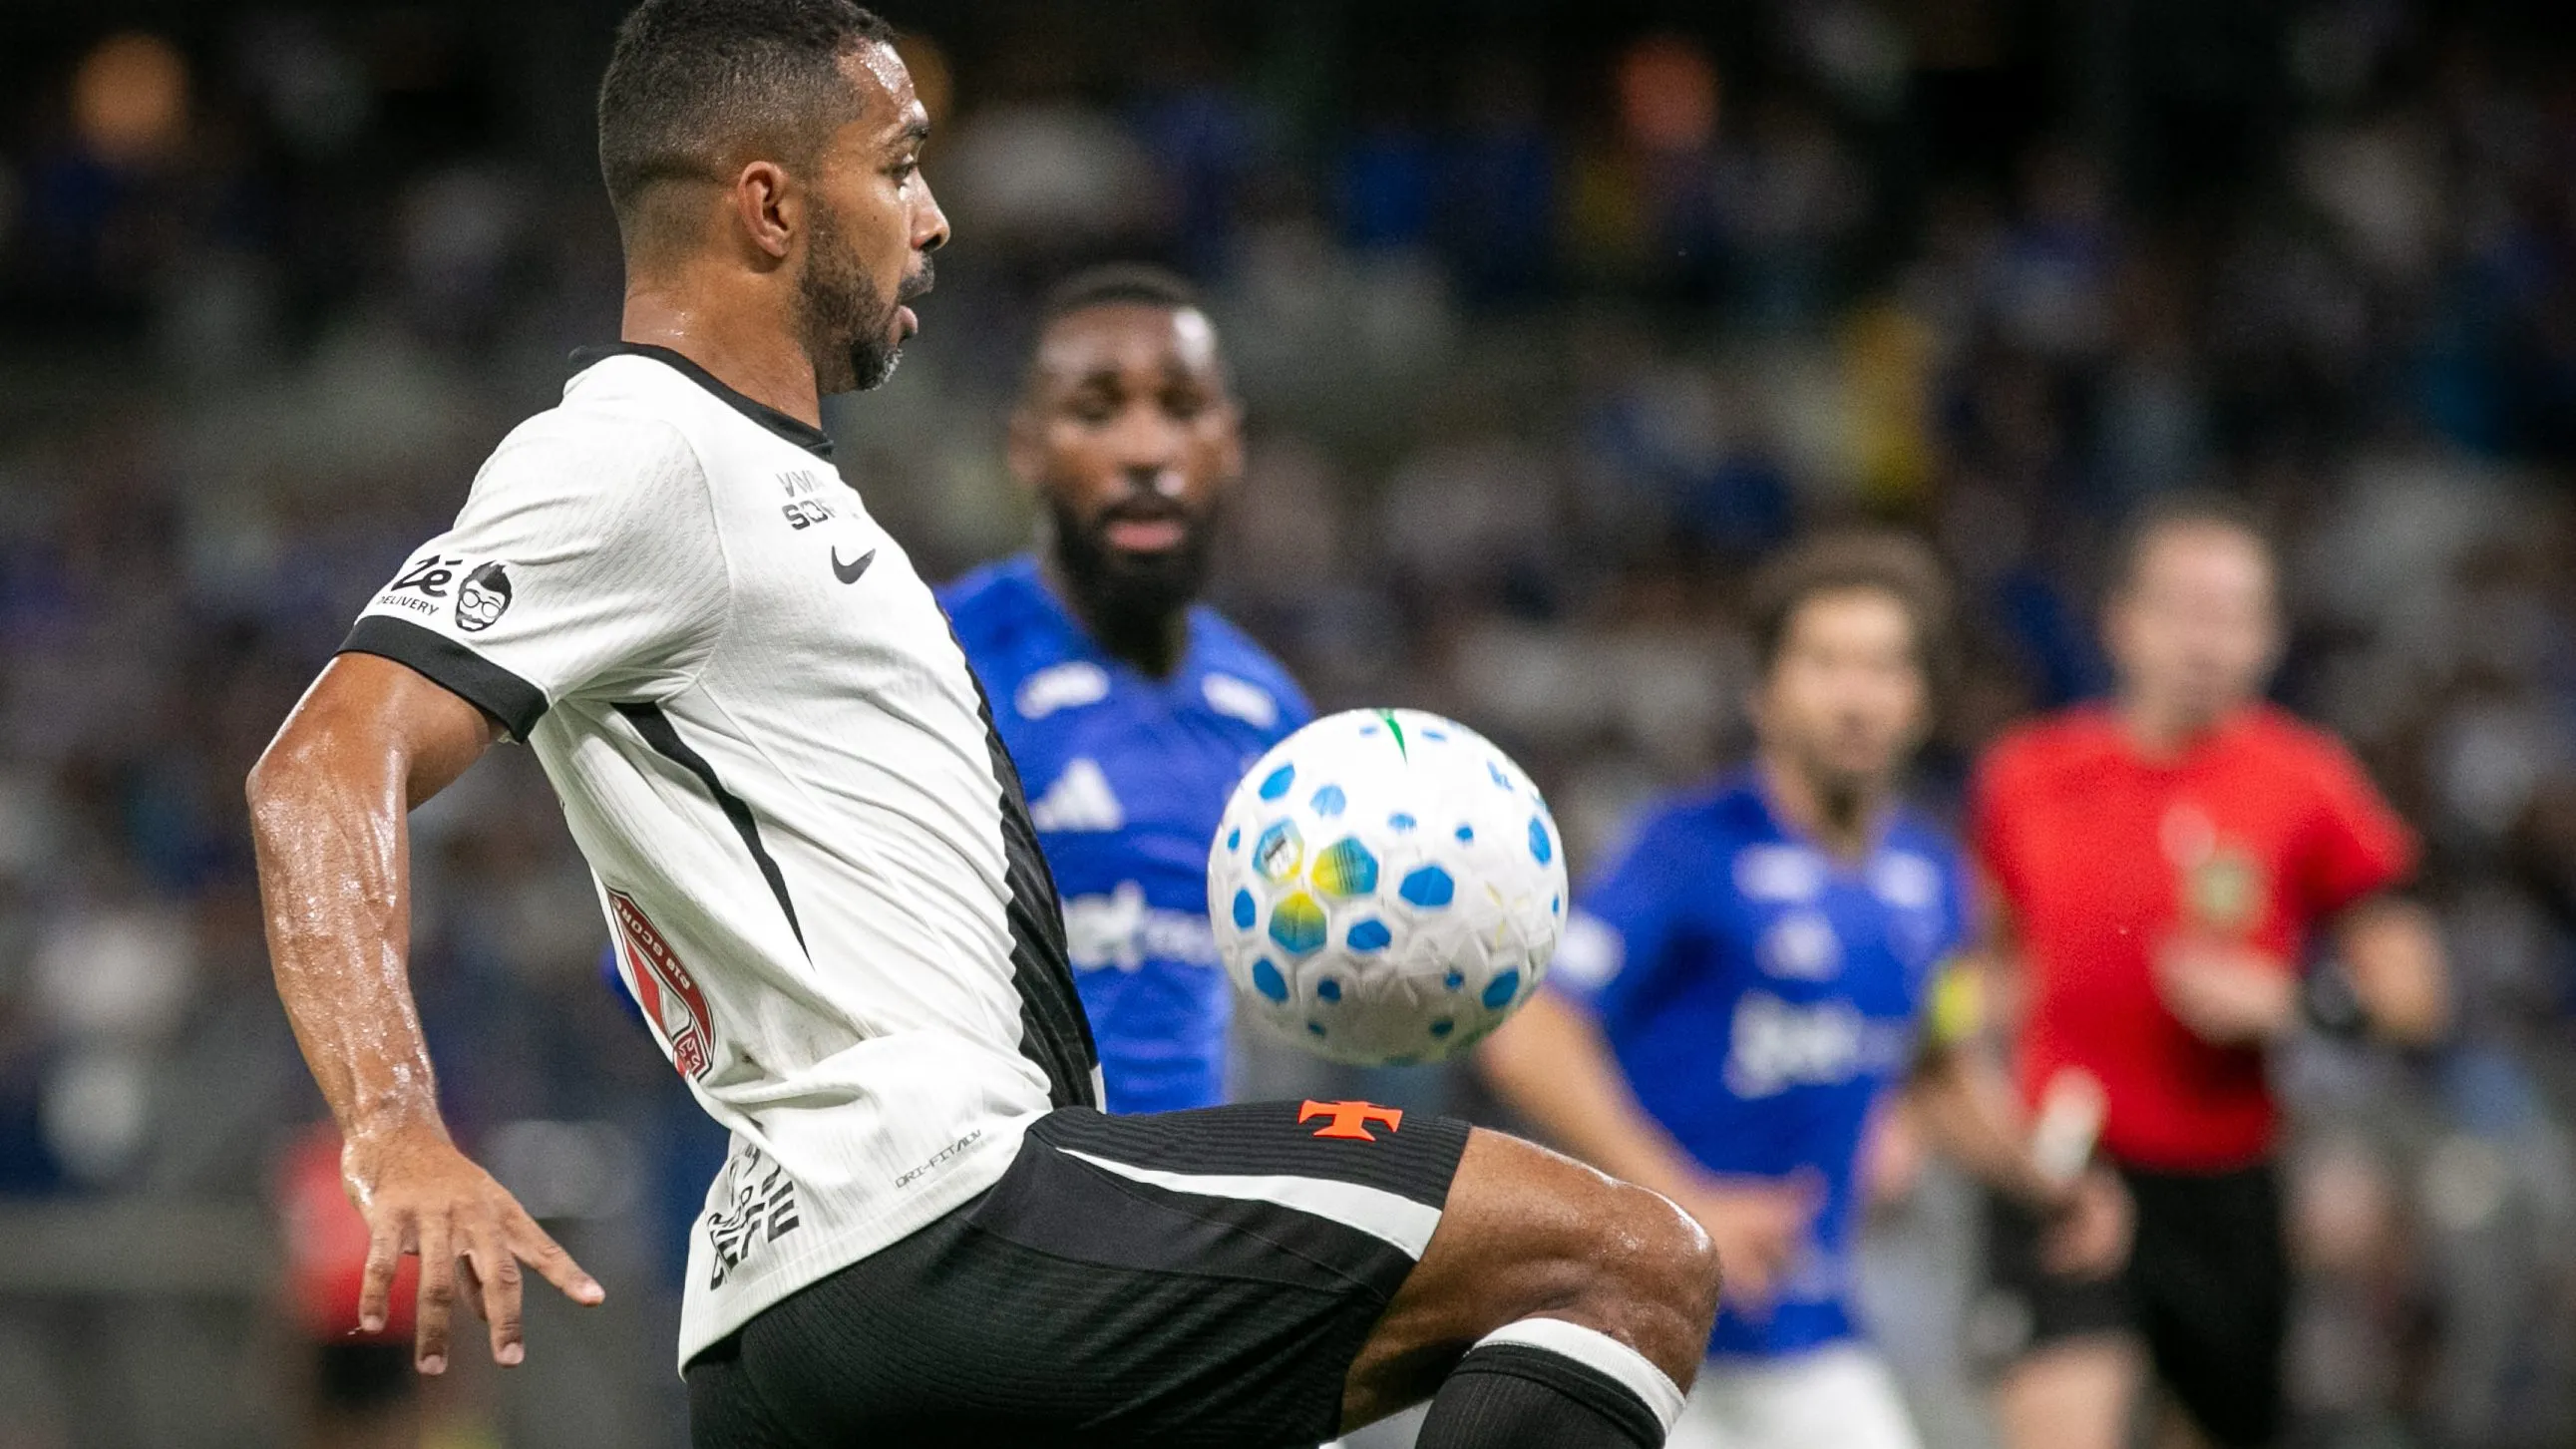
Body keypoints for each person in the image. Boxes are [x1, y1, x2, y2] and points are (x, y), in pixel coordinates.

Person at [245, 4, 1718, 1447]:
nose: (934, 219)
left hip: (801, 1308)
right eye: (896, 166)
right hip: (937, 1223)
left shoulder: (769, 495)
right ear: (767, 206)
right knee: (1624, 1261)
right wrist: (392, 1121)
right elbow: (319, 765)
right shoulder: (642, 453)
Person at [1480, 532, 2128, 1449]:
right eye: (1824, 663)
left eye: (1883, 666)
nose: (1855, 695)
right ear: (1764, 692)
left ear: (1919, 700)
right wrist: (1686, 1199)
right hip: (1639, 1326)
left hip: (1809, 1337)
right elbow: (1530, 1035)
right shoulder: (1687, 847)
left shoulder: (1929, 878)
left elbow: (1931, 1067)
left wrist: (2042, 1183)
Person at [1971, 495, 2448, 1449]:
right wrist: (1945, 1100)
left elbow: (2417, 989)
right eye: (2184, 607)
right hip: (2066, 1160)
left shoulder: (2306, 779)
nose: (2208, 637)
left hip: (2229, 1183)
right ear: (2121, 621)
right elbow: (1982, 968)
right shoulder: (2025, 775)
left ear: (2268, 637)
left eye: (2235, 614)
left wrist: (2298, 999)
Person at [941, 264, 1310, 1113]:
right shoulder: (934, 663)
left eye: (1181, 409)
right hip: (986, 1220)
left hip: (1192, 1223)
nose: (1146, 451)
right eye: (1097, 411)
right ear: (1025, 446)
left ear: (1231, 442)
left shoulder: (1267, 712)